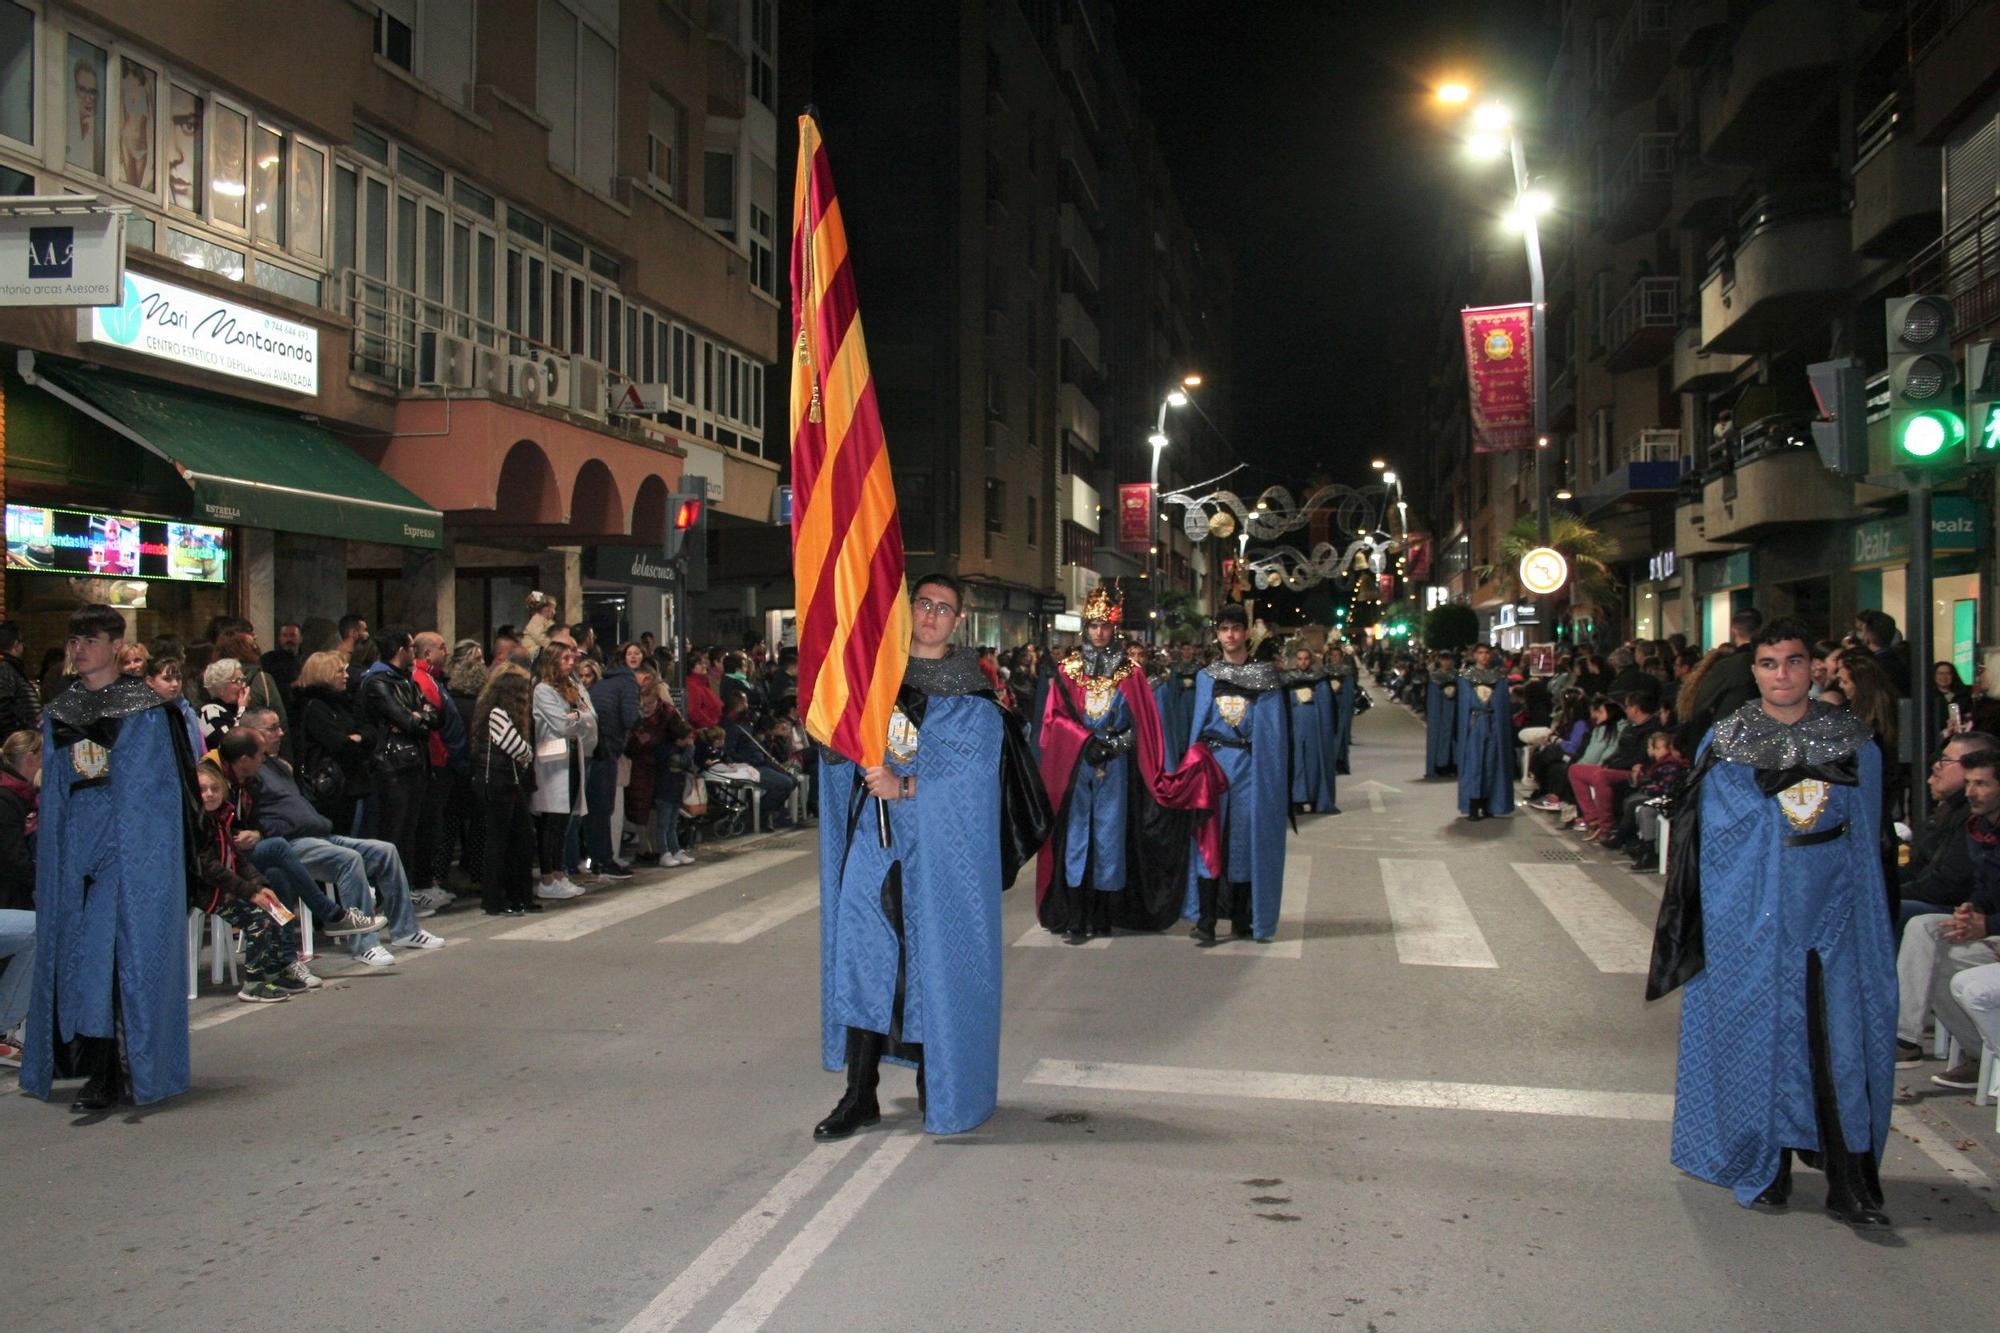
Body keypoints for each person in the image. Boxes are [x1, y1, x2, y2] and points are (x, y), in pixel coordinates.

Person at [1648, 617, 1897, 1229]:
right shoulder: (1727, 740)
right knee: (1760, 1040)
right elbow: (1714, 840)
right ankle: (1767, 1166)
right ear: (1753, 670)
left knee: (1837, 1042)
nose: (1781, 674)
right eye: (1768, 663)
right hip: (1752, 916)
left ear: (1813, 667)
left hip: (1835, 914)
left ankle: (1850, 1179)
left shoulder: (1853, 739)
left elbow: (1869, 841)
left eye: (1792, 661)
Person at [814, 573, 1051, 1139]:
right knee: (863, 954)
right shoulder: (875, 682)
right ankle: (859, 1092)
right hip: (875, 843)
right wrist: (831, 738)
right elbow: (847, 759)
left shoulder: (975, 699)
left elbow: (974, 786)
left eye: (944, 608)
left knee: (931, 962)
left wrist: (908, 788)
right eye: (924, 604)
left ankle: (935, 1081)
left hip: (939, 853)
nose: (932, 615)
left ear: (958, 621)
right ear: (910, 610)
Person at [22, 605, 199, 1113]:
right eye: (74, 640)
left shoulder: (143, 708)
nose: (79, 649)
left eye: (90, 639)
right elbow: (56, 786)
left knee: (108, 956)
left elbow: (152, 794)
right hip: (76, 841)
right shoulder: (63, 706)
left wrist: (131, 854)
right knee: (77, 955)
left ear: (116, 646)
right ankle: (94, 1065)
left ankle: (111, 1071)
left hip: (125, 845)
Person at [1036, 588, 1212, 945]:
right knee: (1076, 838)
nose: (1099, 632)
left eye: (1105, 626)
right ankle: (1076, 915)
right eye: (1094, 625)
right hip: (1078, 766)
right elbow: (1053, 719)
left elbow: (1144, 727)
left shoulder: (1130, 673)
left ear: (1114, 629)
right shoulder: (1068, 671)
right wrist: (1086, 742)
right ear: (1086, 627)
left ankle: (1103, 914)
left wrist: (1114, 744)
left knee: (1109, 839)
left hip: (1116, 768)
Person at [1179, 604, 1286, 945]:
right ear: (1217, 633)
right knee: (1207, 842)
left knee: (1244, 842)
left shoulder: (1265, 678)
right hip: (1213, 765)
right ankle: (1206, 920)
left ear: (1246, 633)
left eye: (1236, 628)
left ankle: (1243, 918)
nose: (1230, 635)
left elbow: (1272, 735)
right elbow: (1197, 727)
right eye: (1224, 629)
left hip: (1249, 767)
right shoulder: (1207, 676)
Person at [193, 761, 316, 1002]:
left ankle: (275, 969)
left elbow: (238, 860)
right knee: (258, 918)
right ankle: (254, 982)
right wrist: (250, 893)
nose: (209, 794)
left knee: (276, 907)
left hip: (227, 887)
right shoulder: (197, 825)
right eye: (203, 789)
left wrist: (261, 886)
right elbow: (210, 869)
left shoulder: (223, 818)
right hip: (207, 891)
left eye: (214, 789)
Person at [358, 629, 438, 877]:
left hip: (413, 762)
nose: (414, 653)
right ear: (401, 651)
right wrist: (416, 717)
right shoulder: (378, 682)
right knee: (393, 832)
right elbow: (409, 721)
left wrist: (420, 716)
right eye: (412, 648)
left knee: (408, 833)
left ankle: (405, 889)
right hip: (391, 766)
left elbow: (434, 716)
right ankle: (387, 893)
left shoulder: (407, 681)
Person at [469, 663, 539, 916]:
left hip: (506, 782)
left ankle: (519, 896)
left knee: (521, 839)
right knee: (499, 842)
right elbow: (518, 748)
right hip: (497, 783)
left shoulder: (496, 712)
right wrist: (528, 753)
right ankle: (495, 900)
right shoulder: (498, 713)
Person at [530, 641, 596, 900]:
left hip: (569, 756)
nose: (571, 662)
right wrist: (578, 718)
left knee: (563, 820)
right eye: (565, 658)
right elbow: (560, 724)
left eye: (572, 658)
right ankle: (548, 877)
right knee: (551, 821)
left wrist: (577, 718)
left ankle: (558, 873)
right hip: (552, 759)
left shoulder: (570, 688)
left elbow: (588, 717)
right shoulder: (543, 690)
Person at [408, 632, 466, 910]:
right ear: (427, 653)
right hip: (435, 763)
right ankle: (421, 884)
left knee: (436, 826)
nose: (447, 651)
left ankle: (428, 881)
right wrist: (444, 755)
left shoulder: (434, 679)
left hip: (443, 762)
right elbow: (434, 723)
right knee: (427, 827)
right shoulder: (422, 680)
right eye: (442, 647)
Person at [1570, 678, 1663, 841]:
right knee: (1575, 770)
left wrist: (1613, 765)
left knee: (1601, 776)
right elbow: (1619, 750)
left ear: (1635, 708)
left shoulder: (1651, 730)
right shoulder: (1629, 728)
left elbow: (1639, 756)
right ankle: (1593, 818)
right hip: (1615, 766)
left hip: (1630, 770)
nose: (1625, 710)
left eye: (1627, 706)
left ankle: (1608, 826)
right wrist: (1609, 762)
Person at [584, 640, 640, 879]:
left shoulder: (605, 681)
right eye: (632, 653)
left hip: (593, 746)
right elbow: (629, 718)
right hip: (607, 747)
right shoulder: (627, 683)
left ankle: (597, 858)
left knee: (595, 807)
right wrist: (640, 717)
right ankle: (603, 860)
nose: (635, 657)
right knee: (603, 807)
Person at [1455, 644, 1514, 820]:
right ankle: (1473, 806)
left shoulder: (1499, 677)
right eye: (1480, 653)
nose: (1484, 656)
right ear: (1474, 655)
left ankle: (1490, 805)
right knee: (1474, 763)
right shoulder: (1466, 677)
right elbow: (1465, 704)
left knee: (1492, 762)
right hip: (1476, 723)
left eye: (1487, 653)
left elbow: (1502, 705)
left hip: (1493, 723)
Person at [1284, 644, 1340, 815]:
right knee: (1296, 761)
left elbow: (1326, 705)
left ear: (1311, 660)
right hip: (1295, 724)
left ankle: (1316, 798)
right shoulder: (1288, 679)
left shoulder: (1319, 678)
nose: (1303, 662)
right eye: (1299, 659)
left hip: (1314, 725)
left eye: (1306, 659)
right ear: (1295, 660)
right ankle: (1297, 799)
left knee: (1314, 761)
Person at [1155, 641, 1202, 757]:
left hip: (1193, 699)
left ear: (1192, 650)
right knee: (1180, 725)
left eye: (1189, 648)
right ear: (1181, 650)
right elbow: (1172, 683)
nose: (1186, 651)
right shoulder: (1175, 666)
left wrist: (1193, 684)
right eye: (1184, 649)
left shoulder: (1198, 666)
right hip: (1179, 699)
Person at [0, 621, 41, 735]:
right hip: (18, 744)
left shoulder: (12, 669)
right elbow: (3, 709)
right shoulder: (6, 670)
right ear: (16, 644)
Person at [1325, 642, 1359, 775]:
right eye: (1332, 655)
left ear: (1341, 657)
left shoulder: (1346, 671)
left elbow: (1349, 691)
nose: (1335, 658)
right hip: (1329, 705)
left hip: (1342, 705)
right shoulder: (1325, 670)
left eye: (1337, 655)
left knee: (1341, 734)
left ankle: (1340, 762)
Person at [1424, 652, 1458, 778]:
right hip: (1441, 712)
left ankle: (1454, 764)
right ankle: (1440, 765)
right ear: (1439, 661)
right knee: (1440, 736)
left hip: (1454, 712)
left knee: (1454, 738)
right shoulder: (1435, 677)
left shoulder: (1457, 676)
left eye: (1449, 659)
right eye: (1444, 660)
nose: (1447, 662)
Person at [684, 649, 722, 728]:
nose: (704, 666)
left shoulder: (702, 683)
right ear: (691, 667)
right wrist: (711, 725)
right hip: (706, 732)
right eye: (700, 664)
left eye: (704, 663)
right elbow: (694, 712)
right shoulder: (692, 686)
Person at [521, 592, 558, 656]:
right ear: (544, 609)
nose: (553, 612)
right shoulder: (537, 619)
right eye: (551, 608)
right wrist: (554, 644)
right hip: (532, 649)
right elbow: (539, 637)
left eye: (554, 608)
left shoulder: (548, 621)